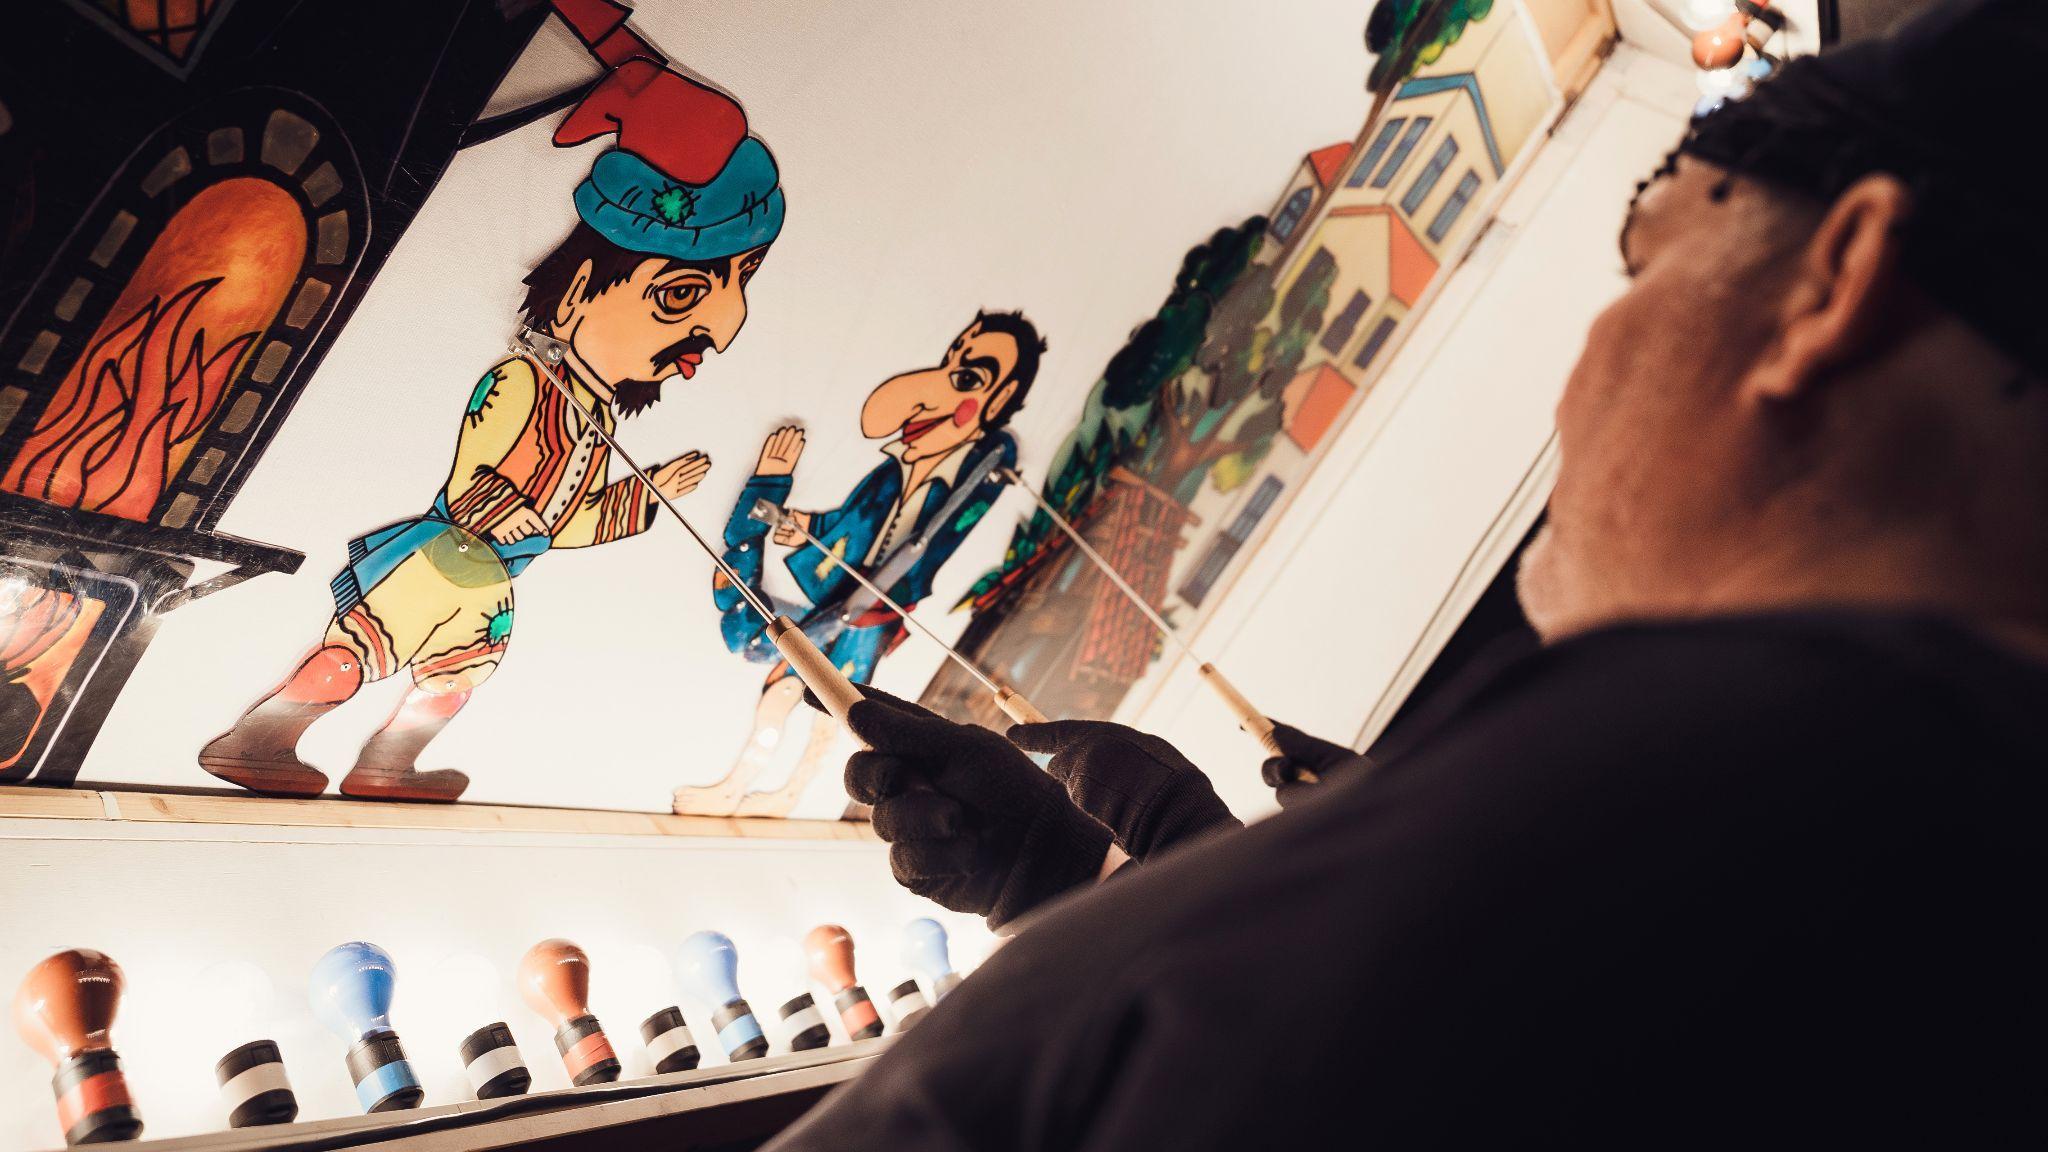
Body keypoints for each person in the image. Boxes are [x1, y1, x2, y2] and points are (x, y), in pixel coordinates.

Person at [769, 1, 2045, 1145]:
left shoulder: (1734, 783)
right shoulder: (1918, 853)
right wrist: (1092, 884)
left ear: (1831, 283)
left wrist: (1166, 906)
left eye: (1643, 265)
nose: (1584, 366)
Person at [198, 61, 781, 801]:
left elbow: (565, 525)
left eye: (738, 284)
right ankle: (256, 740)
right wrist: (516, 513)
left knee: (454, 677)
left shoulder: (596, 415)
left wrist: (644, 495)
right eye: (680, 294)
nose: (720, 331)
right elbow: (477, 471)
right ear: (575, 295)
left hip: (494, 579)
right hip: (444, 556)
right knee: (363, 653)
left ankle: (385, 768)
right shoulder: (521, 382)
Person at [675, 312, 1045, 817]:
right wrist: (805, 523)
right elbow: (857, 519)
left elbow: (925, 550)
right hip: (847, 600)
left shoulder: (970, 487)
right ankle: (738, 785)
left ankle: (789, 792)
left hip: (872, 613)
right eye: (950, 363)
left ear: (997, 402)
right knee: (785, 686)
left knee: (833, 707)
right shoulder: (890, 474)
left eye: (967, 377)